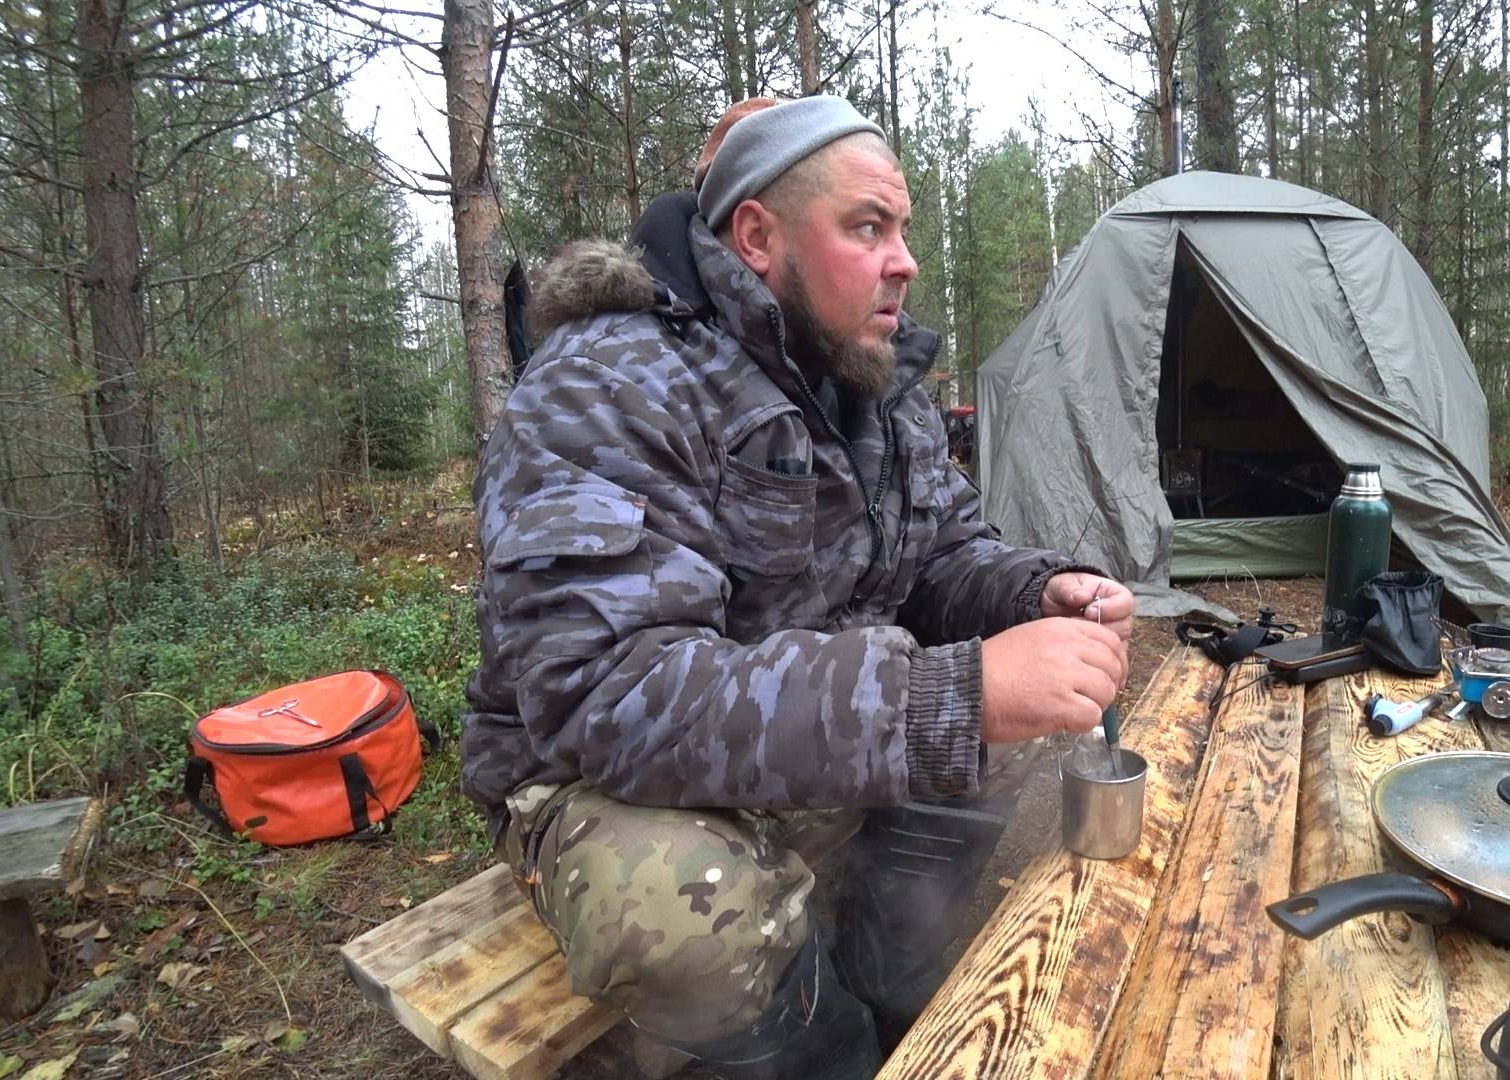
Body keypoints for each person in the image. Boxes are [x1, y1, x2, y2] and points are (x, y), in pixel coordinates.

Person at [460, 94, 1136, 1079]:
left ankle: (895, 993)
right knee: (690, 907)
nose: (903, 258)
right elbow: (608, 696)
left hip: (793, 743)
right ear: (758, 236)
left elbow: (944, 555)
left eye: (902, 229)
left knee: (1015, 732)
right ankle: (821, 1051)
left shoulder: (873, 388)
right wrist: (952, 694)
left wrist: (1039, 593)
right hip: (596, 781)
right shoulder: (608, 383)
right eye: (868, 226)